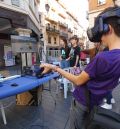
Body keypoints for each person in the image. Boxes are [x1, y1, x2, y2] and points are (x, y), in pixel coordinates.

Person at [40, 6, 120, 129]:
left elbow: (78, 80)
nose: (100, 38)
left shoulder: (103, 57)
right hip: (96, 101)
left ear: (108, 29)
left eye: (100, 33)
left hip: (82, 102)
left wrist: (54, 67)